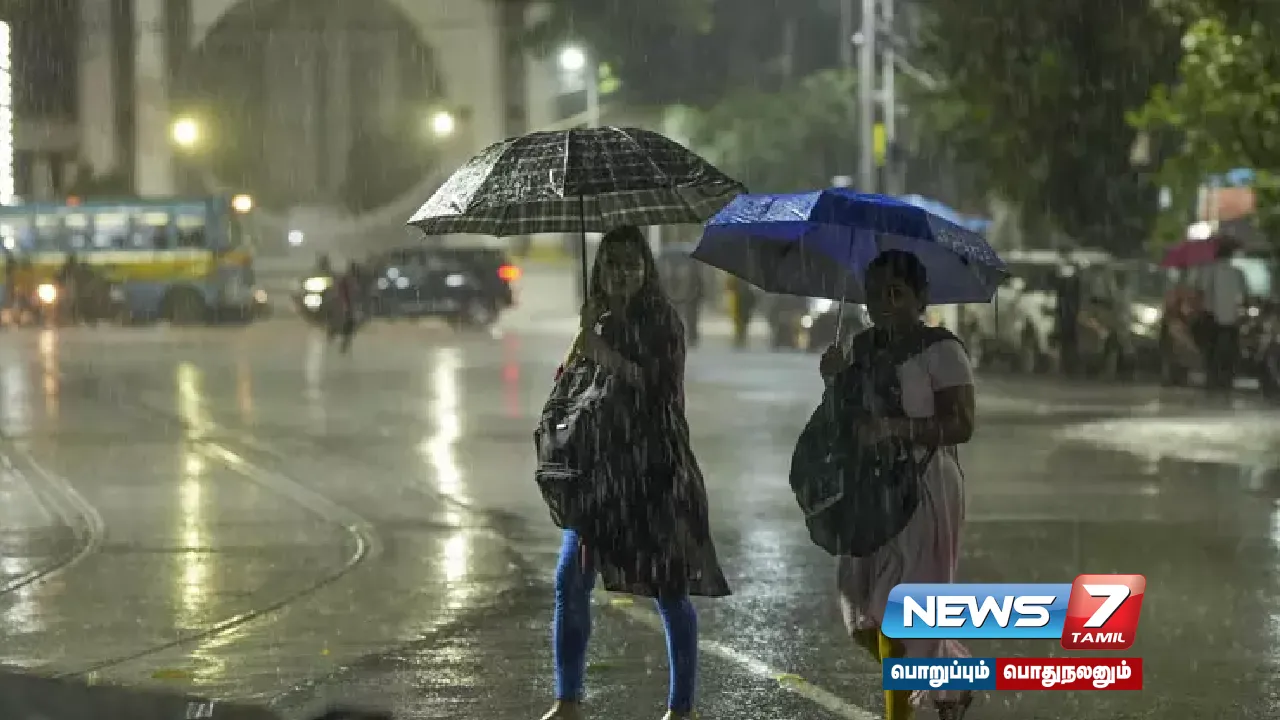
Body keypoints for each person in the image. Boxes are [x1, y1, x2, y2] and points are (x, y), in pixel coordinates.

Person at [540, 225, 730, 720]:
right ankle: (567, 700)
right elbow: (569, 389)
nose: (621, 273)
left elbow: (660, 392)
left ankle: (681, 708)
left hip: (653, 471)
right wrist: (582, 343)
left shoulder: (663, 323)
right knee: (570, 581)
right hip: (598, 474)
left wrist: (604, 352)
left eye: (631, 263)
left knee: (669, 588)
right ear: (599, 270)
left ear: (646, 269)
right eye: (611, 263)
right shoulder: (596, 321)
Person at [818, 250, 977, 720]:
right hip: (871, 490)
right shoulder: (862, 348)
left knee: (897, 615)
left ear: (919, 298)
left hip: (924, 488)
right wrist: (834, 382)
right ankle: (950, 680)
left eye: (896, 293)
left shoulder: (941, 350)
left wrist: (896, 429)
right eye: (875, 293)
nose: (885, 304)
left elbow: (962, 424)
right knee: (859, 612)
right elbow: (848, 423)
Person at [1199, 237, 1247, 391]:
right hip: (1231, 317)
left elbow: (1203, 291)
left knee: (1212, 350)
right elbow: (1244, 295)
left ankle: (1213, 379)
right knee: (1229, 350)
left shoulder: (1209, 271)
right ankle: (1226, 379)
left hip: (1213, 316)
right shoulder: (1237, 273)